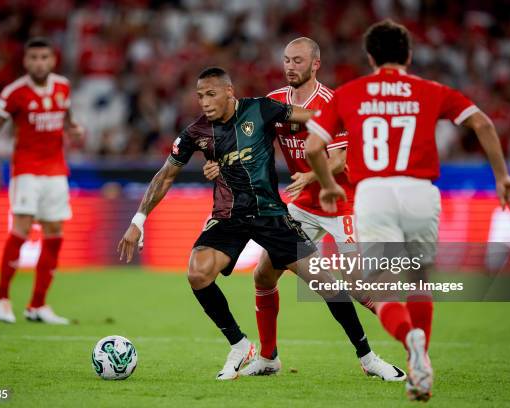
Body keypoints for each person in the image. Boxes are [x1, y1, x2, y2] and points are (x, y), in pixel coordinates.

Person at [118, 67, 392, 381]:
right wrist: (138, 220)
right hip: (228, 218)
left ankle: (368, 358)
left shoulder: (260, 109)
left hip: (271, 216)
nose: (204, 102)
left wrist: (349, 115)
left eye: (211, 94)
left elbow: (310, 115)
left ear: (229, 92)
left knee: (326, 284)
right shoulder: (197, 132)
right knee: (197, 272)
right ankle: (240, 345)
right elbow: (166, 174)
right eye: (200, 96)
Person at [305, 20, 510, 401]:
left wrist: (328, 185)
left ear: (370, 56)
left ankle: (411, 343)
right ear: (408, 55)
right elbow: (483, 123)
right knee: (420, 279)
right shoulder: (429, 90)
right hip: (421, 192)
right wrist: (502, 177)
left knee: (379, 287)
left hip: (373, 193)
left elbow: (311, 148)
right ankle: (420, 360)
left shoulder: (350, 93)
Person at [202, 38, 403, 381]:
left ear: (315, 65)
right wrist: (220, 164)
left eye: (298, 60)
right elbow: (244, 140)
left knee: (356, 286)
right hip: (302, 208)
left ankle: (406, 333)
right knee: (264, 274)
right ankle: (268, 358)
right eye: (286, 60)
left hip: (341, 205)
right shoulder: (275, 102)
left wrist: (310, 174)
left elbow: (339, 160)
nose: (290, 65)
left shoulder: (330, 102)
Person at [0, 37, 84, 325]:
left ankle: (37, 305)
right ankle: (1, 299)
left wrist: (72, 127)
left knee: (54, 232)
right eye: (34, 57)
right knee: (22, 228)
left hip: (56, 171)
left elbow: (66, 113)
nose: (39, 62)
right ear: (26, 62)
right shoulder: (15, 92)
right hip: (26, 169)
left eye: (44, 57)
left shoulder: (63, 86)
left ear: (53, 60)